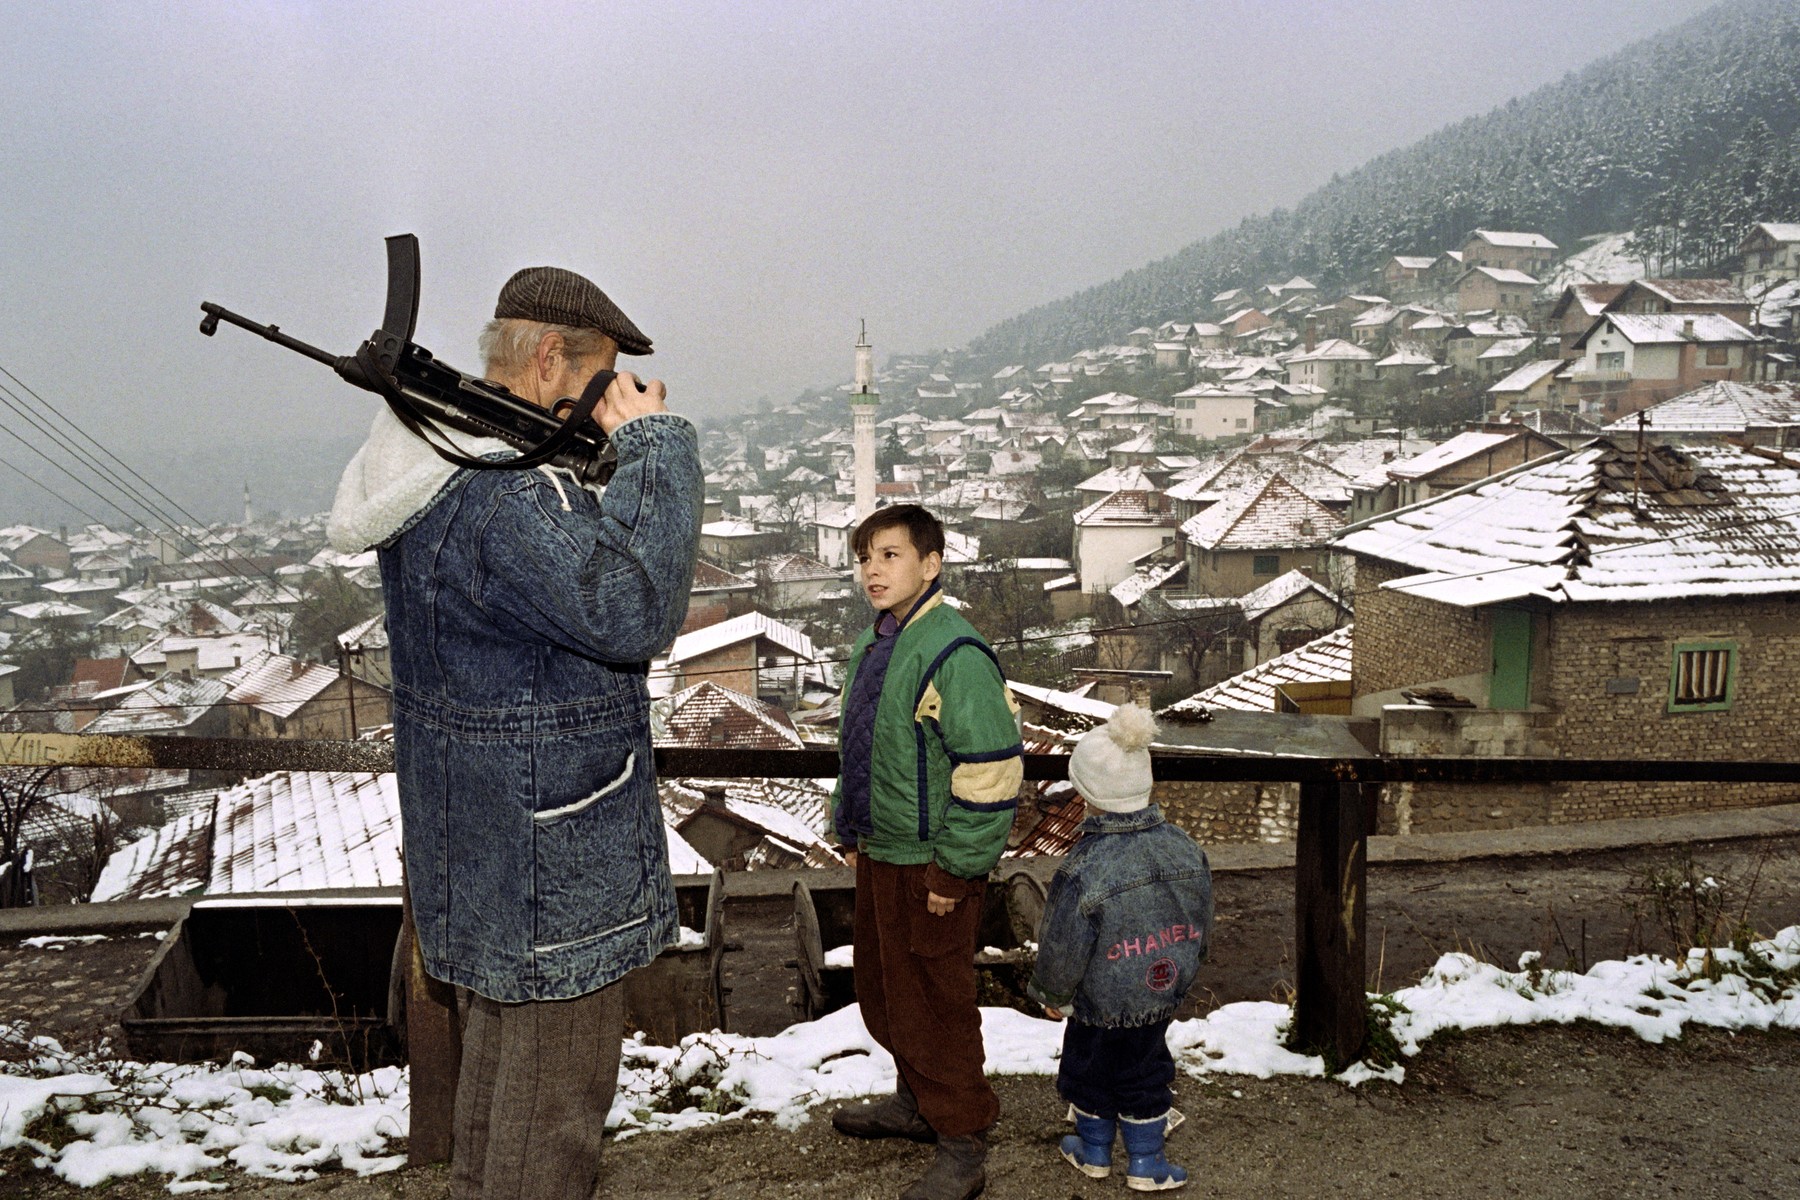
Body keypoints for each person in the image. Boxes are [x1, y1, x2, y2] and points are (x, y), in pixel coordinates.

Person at [327, 264, 702, 1200]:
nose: (605, 404)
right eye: (601, 379)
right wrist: (654, 447)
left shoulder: (442, 467)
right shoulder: (504, 495)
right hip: (553, 858)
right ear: (547, 359)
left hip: (488, 841)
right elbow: (632, 609)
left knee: (499, 1099)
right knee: (550, 1122)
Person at [827, 503, 1025, 1200]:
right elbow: (859, 746)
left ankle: (963, 1142)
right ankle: (916, 1105)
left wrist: (955, 868)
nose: (872, 571)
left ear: (931, 564)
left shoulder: (954, 650)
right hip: (883, 853)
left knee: (937, 1003)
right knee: (887, 991)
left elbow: (992, 770)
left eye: (889, 555)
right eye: (865, 557)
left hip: (932, 864)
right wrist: (848, 829)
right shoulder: (877, 642)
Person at [1026, 704, 1214, 1192]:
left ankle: (1093, 1153)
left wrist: (1051, 992)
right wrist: (1189, 966)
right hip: (1159, 987)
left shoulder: (1082, 868)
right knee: (1146, 1068)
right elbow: (1201, 919)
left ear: (1085, 793)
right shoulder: (1186, 849)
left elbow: (1063, 944)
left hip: (1096, 1003)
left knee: (1089, 1070)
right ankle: (1147, 1162)